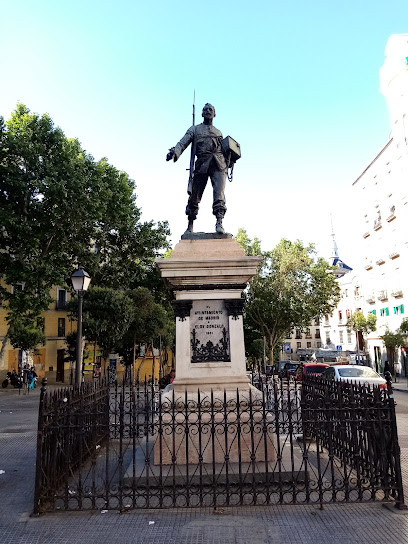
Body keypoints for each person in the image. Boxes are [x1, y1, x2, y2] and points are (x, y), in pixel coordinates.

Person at [166, 103, 229, 235]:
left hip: (218, 164)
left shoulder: (218, 132)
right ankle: (190, 224)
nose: (208, 111)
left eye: (210, 110)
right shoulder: (194, 129)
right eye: (205, 110)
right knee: (194, 196)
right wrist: (175, 151)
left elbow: (225, 149)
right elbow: (183, 142)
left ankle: (219, 222)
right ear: (201, 113)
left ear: (214, 114)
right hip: (202, 164)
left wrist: (231, 157)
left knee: (219, 195)